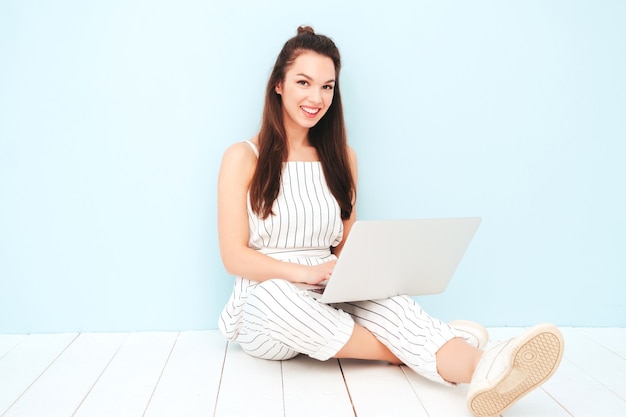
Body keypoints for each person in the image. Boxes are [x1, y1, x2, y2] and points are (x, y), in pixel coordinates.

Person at [217, 25, 564, 417]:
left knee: (392, 304)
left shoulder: (343, 158)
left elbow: (346, 247)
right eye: (304, 82)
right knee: (274, 298)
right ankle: (430, 346)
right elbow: (234, 257)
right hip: (267, 304)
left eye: (328, 87)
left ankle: (482, 366)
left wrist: (365, 276)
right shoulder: (243, 156)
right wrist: (302, 273)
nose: (316, 98)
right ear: (278, 84)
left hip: (328, 290)